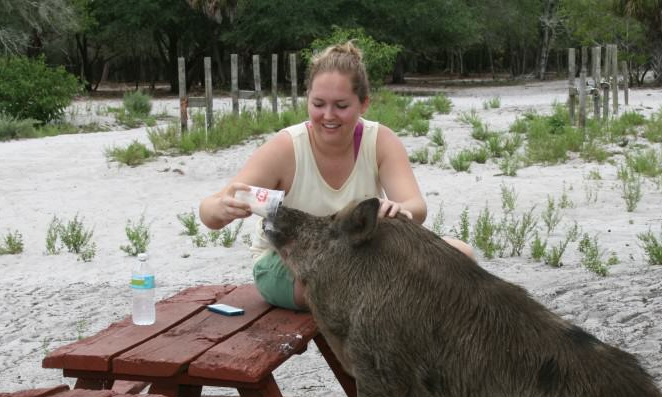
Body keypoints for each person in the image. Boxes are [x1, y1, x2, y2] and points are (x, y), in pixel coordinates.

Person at [199, 41, 471, 311]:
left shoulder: (380, 141)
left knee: (461, 256)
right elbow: (209, 212)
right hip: (290, 265)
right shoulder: (285, 148)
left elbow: (417, 207)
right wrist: (222, 209)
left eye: (341, 105)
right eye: (318, 104)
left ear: (364, 103)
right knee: (338, 288)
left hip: (362, 257)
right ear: (308, 99)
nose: (328, 116)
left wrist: (398, 210)